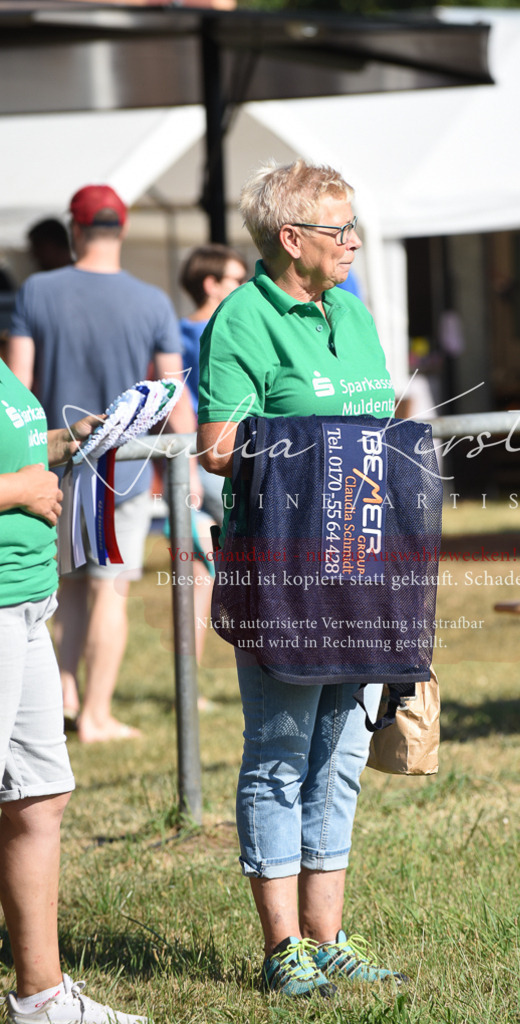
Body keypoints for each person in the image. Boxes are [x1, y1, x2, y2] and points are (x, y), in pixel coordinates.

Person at [197, 160, 406, 998]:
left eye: (352, 228)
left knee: (341, 756)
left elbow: (380, 420)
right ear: (292, 239)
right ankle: (284, 947)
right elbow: (217, 448)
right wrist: (314, 447)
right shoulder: (241, 320)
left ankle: (329, 937)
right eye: (338, 230)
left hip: (361, 561)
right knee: (281, 754)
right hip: (282, 571)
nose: (352, 243)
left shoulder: (350, 312)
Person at [6, 184, 196, 743]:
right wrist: (191, 467)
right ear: (124, 228)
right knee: (109, 590)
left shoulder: (36, 291)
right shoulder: (152, 301)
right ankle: (96, 714)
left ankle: (61, 694)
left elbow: (15, 392)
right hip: (128, 472)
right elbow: (173, 397)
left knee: (58, 590)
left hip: (50, 466)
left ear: (76, 228)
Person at [0, 360, 145, 1024]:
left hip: (27, 604)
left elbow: (22, 446)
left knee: (39, 796)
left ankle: (41, 999)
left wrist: (66, 442)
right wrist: (15, 492)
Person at [177, 244, 248, 672]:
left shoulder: (174, 333)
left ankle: (190, 683)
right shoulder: (222, 332)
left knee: (197, 577)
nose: (244, 287)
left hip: (185, 465)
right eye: (236, 279)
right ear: (211, 284)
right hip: (217, 464)